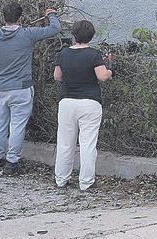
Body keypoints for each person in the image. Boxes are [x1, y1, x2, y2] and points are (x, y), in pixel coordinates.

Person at [0, 2, 60, 175]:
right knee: (17, 127)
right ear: (20, 18)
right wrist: (51, 13)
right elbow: (54, 29)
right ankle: (12, 161)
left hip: (0, 89)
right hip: (21, 89)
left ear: (3, 17)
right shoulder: (28, 34)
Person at [53, 20, 112, 190]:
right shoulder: (94, 54)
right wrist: (109, 71)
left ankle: (61, 179)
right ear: (91, 36)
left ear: (74, 34)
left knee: (65, 142)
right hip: (89, 102)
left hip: (66, 102)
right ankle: (86, 182)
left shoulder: (63, 53)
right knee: (87, 143)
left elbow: (57, 76)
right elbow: (101, 76)